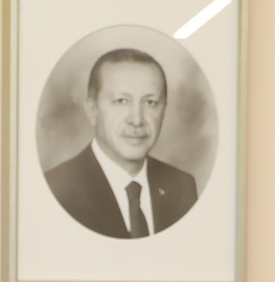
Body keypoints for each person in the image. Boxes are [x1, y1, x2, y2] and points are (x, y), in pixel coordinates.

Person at [45, 48, 198, 239]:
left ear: (164, 110)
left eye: (150, 102)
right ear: (92, 110)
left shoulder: (182, 186)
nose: (137, 120)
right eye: (121, 101)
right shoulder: (56, 189)